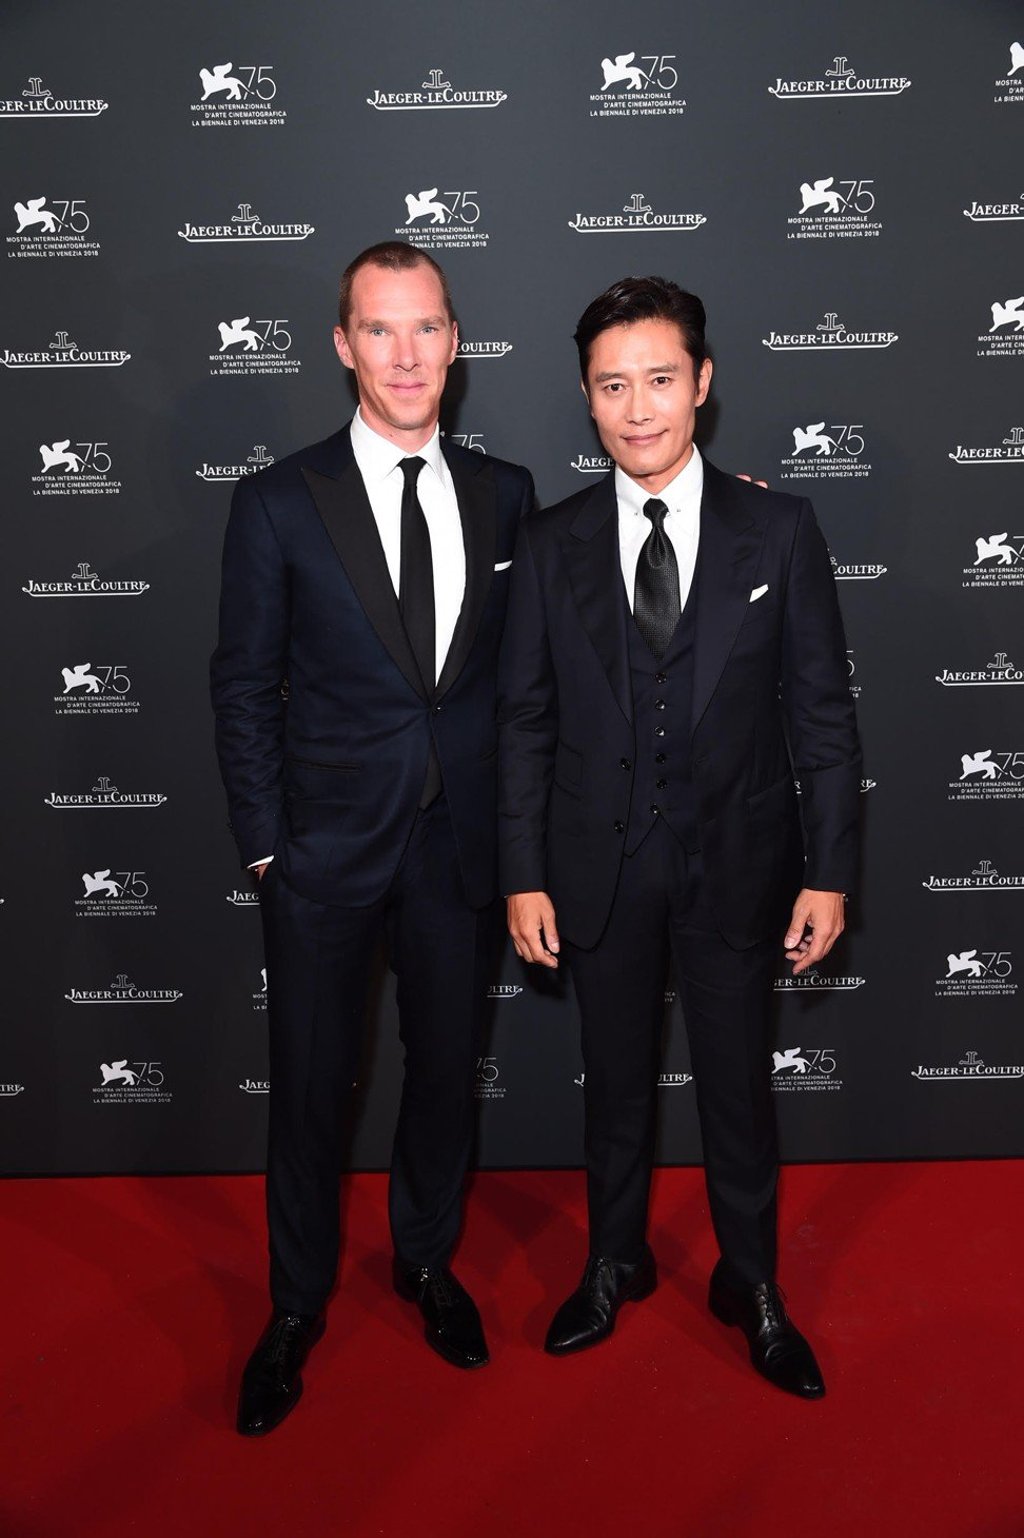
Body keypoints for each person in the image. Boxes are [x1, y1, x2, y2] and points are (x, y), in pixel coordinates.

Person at [497, 276, 861, 1398]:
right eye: (613, 385)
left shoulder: (781, 525)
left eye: (659, 378)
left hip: (740, 864)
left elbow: (821, 716)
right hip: (596, 863)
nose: (638, 406)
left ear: (701, 384)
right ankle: (612, 1258)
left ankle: (750, 1280)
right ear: (586, 398)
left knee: (739, 1087)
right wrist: (521, 874)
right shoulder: (550, 541)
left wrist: (830, 871)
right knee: (610, 1082)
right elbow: (523, 719)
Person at [211, 241, 534, 1435]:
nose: (407, 355)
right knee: (307, 1087)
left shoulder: (507, 492)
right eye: (381, 330)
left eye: (428, 328)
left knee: (447, 1073)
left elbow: (541, 660)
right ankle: (294, 1304)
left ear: (456, 341)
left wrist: (730, 506)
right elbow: (241, 683)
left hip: (461, 856)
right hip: (322, 856)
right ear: (343, 344)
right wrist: (264, 846)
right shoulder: (278, 499)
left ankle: (426, 1262)